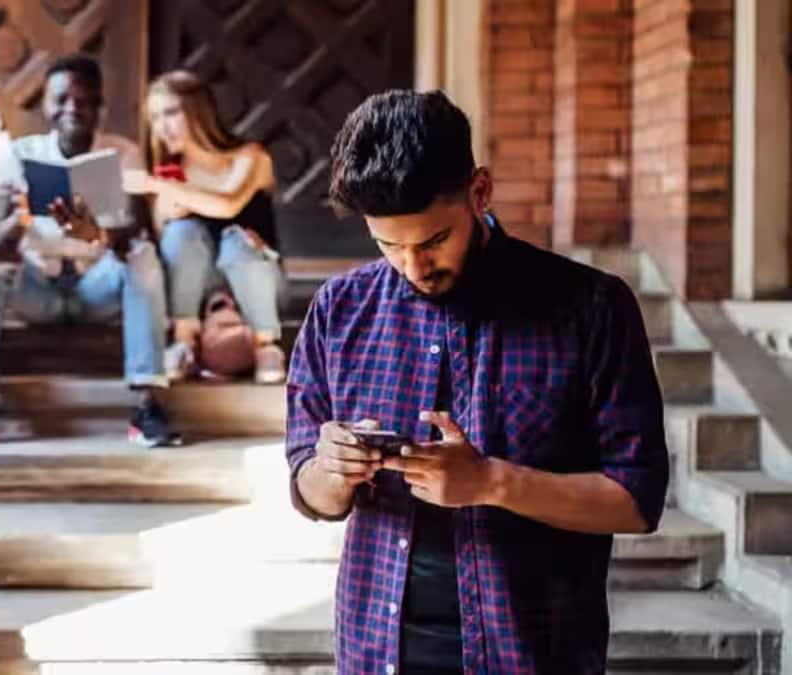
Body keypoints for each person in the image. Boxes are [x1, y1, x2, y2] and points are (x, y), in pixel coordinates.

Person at [286, 90, 669, 673]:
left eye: (434, 240)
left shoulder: (591, 307)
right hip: (375, 650)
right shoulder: (340, 310)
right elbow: (310, 492)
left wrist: (491, 481)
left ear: (480, 192)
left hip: (532, 652)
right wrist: (331, 471)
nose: (413, 267)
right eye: (389, 245)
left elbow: (636, 500)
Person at [0, 56, 179, 449]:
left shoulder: (122, 153)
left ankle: (147, 404)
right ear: (45, 104)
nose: (72, 108)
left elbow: (137, 237)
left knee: (142, 254)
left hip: (97, 289)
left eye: (83, 100)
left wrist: (98, 234)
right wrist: (17, 221)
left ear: (99, 107)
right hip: (38, 290)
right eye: (61, 99)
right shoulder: (19, 155)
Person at [130, 70, 285, 384]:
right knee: (181, 233)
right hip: (199, 293)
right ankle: (184, 341)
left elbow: (229, 204)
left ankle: (266, 345)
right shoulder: (169, 176)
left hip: (258, 281)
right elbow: (170, 244)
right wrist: (166, 195)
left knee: (236, 239)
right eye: (155, 117)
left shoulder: (250, 156)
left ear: (198, 110)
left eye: (171, 112)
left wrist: (159, 187)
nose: (162, 126)